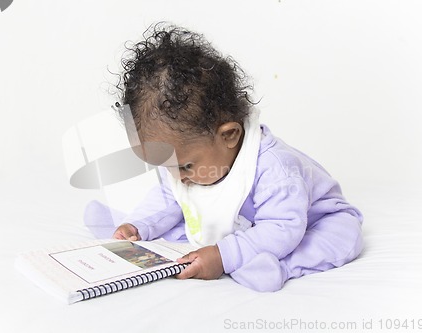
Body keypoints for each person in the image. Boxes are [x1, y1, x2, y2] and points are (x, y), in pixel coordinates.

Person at [84, 23, 363, 292]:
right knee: (182, 223)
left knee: (340, 236)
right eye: (167, 168)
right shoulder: (187, 160)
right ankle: (136, 234)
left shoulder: (275, 168)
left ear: (228, 135)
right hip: (245, 223)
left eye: (185, 166)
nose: (177, 177)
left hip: (305, 221)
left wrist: (223, 256)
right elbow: (171, 197)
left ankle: (279, 267)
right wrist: (139, 224)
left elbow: (283, 227)